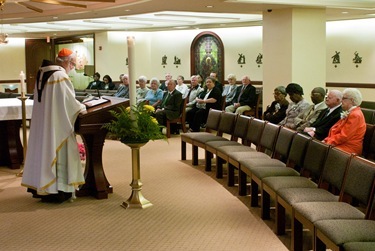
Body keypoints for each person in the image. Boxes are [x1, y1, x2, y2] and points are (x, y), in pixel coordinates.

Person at [22, 48, 86, 203]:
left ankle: (45, 188)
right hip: (56, 125)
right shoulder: (59, 76)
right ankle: (58, 191)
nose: (72, 67)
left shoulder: (42, 73)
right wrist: (82, 107)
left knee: (45, 150)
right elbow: (68, 102)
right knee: (59, 152)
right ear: (67, 62)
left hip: (45, 123)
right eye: (72, 64)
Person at [323, 88, 366, 155]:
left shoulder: (355, 115)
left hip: (349, 147)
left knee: (321, 150)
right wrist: (327, 140)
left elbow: (344, 136)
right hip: (342, 143)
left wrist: (328, 142)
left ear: (351, 100)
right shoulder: (350, 112)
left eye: (343, 98)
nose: (341, 101)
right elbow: (336, 129)